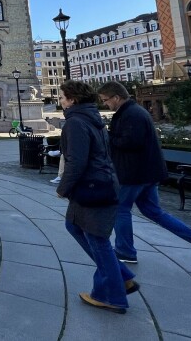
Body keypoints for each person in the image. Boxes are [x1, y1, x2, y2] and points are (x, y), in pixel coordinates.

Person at [98, 81, 191, 275]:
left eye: (106, 100)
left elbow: (129, 142)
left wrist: (107, 137)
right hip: (147, 173)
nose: (105, 104)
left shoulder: (131, 114)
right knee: (155, 213)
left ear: (116, 97)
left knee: (120, 209)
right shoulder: (134, 112)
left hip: (135, 174)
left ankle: (125, 251)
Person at [56, 80, 136, 314]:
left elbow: (77, 161)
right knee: (74, 226)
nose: (60, 101)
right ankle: (123, 276)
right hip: (99, 183)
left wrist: (63, 187)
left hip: (92, 187)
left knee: (97, 240)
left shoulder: (76, 122)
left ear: (72, 99)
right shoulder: (91, 117)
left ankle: (112, 295)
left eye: (61, 97)